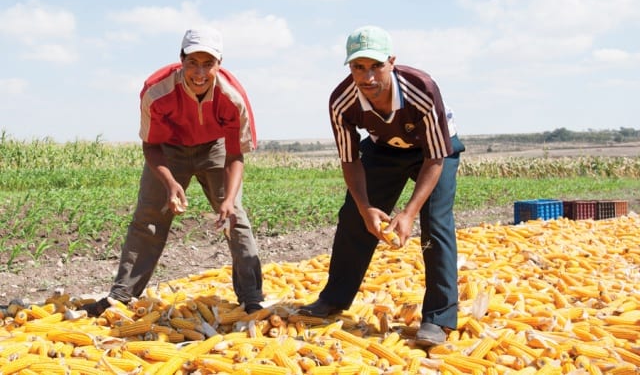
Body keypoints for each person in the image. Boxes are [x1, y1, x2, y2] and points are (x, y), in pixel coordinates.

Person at [299, 25, 465, 347]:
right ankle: (334, 298)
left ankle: (438, 318)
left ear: (391, 61)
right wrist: (365, 208)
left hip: (434, 151)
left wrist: (409, 212)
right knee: (352, 217)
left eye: (376, 66)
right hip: (386, 148)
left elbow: (434, 159)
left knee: (436, 223)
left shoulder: (422, 89)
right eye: (358, 67)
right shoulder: (342, 101)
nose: (368, 77)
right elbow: (350, 160)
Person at [82, 28, 264, 316]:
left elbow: (234, 154)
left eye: (208, 63)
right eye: (192, 62)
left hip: (215, 148)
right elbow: (151, 146)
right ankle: (121, 295)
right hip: (169, 149)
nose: (200, 72)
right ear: (181, 60)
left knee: (235, 218)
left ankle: (252, 298)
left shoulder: (233, 98)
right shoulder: (157, 91)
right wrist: (169, 183)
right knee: (148, 220)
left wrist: (228, 199)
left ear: (220, 64)